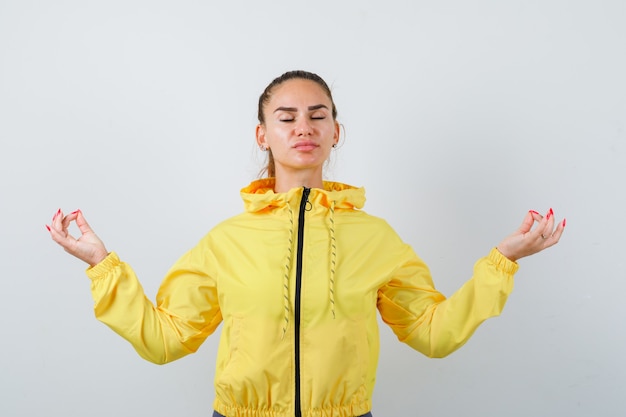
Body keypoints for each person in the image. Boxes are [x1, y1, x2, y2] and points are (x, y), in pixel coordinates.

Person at [47, 70, 566, 417]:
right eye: (287, 117)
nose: (304, 127)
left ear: (336, 131)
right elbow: (164, 340)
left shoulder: (376, 239)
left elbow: (434, 335)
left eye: (318, 115)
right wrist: (101, 264)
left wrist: (502, 262)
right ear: (262, 134)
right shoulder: (226, 241)